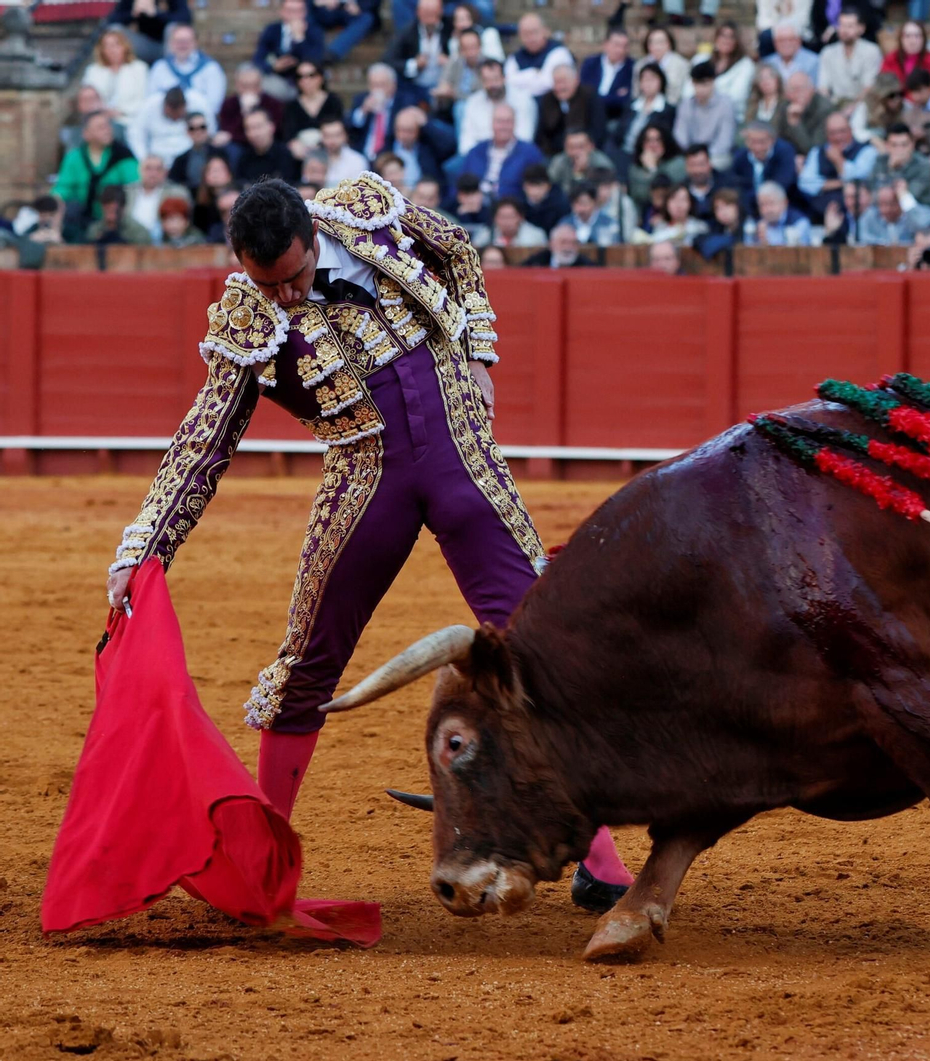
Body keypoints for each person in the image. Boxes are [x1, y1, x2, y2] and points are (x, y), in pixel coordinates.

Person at [104, 174, 635, 905]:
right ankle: (263, 866)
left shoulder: (363, 209)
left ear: (310, 235)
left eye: (292, 276)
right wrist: (145, 548)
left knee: (533, 647)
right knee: (306, 665)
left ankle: (601, 861)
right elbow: (204, 442)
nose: (285, 296)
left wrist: (478, 348)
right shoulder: (245, 316)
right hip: (365, 477)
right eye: (269, 283)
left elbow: (455, 250)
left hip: (460, 452)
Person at [54, 111, 141, 236]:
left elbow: (135, 186)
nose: (107, 130)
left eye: (107, 126)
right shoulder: (74, 157)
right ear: (86, 134)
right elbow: (62, 189)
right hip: (80, 217)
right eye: (101, 127)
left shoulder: (123, 155)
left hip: (113, 218)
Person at [799, 111, 880, 218]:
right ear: (826, 134)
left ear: (851, 130)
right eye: (833, 133)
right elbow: (805, 183)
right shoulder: (817, 152)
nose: (838, 137)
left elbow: (859, 179)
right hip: (820, 215)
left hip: (856, 216)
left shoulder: (867, 151)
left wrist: (839, 161)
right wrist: (841, 183)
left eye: (842, 131)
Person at [461, 103, 545, 201]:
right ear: (492, 123)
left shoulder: (530, 153)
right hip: (475, 208)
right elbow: (460, 185)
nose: (503, 126)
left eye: (508, 121)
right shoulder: (476, 152)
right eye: (499, 121)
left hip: (510, 208)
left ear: (515, 124)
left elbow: (537, 190)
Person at [146, 24, 227, 122]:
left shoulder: (211, 68)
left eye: (186, 41)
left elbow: (214, 106)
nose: (182, 45)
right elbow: (150, 100)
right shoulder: (160, 67)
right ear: (171, 43)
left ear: (195, 42)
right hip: (165, 123)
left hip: (198, 125)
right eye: (178, 41)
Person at [457, 59, 532, 157]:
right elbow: (466, 140)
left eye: (496, 79)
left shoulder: (523, 100)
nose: (492, 85)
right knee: (450, 168)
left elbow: (525, 137)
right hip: (478, 156)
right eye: (487, 80)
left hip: (513, 155)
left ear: (504, 78)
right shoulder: (473, 102)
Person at [254, 0, 325, 100]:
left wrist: (299, 38)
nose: (294, 15)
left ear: (305, 12)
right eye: (290, 10)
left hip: (302, 80)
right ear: (282, 12)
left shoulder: (314, 31)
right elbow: (258, 58)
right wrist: (273, 66)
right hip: (276, 78)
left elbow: (316, 61)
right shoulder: (272, 30)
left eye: (298, 11)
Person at [534, 65, 607, 160]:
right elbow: (541, 134)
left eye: (563, 82)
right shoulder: (547, 99)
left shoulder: (589, 96)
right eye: (556, 82)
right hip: (554, 154)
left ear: (576, 80)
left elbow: (598, 130)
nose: (560, 87)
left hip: (586, 152)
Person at [675, 62, 738, 169]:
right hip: (690, 154)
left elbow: (725, 141)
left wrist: (703, 157)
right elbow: (680, 135)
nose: (700, 89)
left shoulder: (725, 105)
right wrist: (692, 154)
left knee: (716, 164)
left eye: (704, 84)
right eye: (696, 84)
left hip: (716, 155)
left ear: (713, 82)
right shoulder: (686, 105)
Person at [819, 8, 886, 105]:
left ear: (861, 28)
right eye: (841, 25)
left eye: (850, 26)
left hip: (862, 104)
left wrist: (850, 109)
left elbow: (869, 88)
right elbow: (823, 87)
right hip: (834, 103)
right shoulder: (827, 53)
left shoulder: (872, 51)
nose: (844, 30)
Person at [84, 28, 150, 124]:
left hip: (130, 120)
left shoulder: (139, 68)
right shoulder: (92, 71)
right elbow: (87, 100)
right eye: (107, 46)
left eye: (116, 45)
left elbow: (145, 100)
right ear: (102, 50)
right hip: (100, 121)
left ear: (125, 46)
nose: (112, 50)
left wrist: (120, 112)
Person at [731, 121, 799, 212]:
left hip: (782, 206)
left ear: (773, 140)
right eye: (753, 142)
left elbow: (783, 183)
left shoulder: (785, 152)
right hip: (749, 206)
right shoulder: (740, 157)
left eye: (762, 142)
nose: (757, 147)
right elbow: (736, 186)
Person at [505, 14, 576, 101]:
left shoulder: (559, 52)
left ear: (545, 31)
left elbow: (548, 83)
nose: (530, 38)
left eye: (534, 32)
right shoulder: (515, 57)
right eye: (525, 34)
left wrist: (520, 83)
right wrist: (533, 73)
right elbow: (507, 83)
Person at [215, 64, 283, 150]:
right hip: (239, 148)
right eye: (245, 86)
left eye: (254, 85)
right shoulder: (228, 104)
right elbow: (226, 132)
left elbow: (277, 132)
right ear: (237, 85)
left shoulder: (273, 104)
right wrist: (245, 111)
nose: (250, 90)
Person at [130, 86, 202, 166]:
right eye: (172, 115)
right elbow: (136, 134)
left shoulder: (198, 102)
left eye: (177, 115)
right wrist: (145, 159)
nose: (175, 118)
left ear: (184, 107)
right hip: (157, 160)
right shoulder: (150, 105)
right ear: (165, 106)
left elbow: (208, 132)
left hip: (187, 161)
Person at [580, 28, 636, 131]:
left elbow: (626, 101)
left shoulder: (632, 67)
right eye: (616, 45)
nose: (620, 50)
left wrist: (596, 98)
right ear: (606, 44)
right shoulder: (591, 63)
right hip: (587, 115)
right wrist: (614, 96)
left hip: (614, 119)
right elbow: (583, 93)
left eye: (625, 46)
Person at [872, 122, 930, 208]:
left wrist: (894, 170)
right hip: (885, 213)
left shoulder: (923, 165)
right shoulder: (880, 161)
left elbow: (909, 198)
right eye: (894, 145)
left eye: (904, 145)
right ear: (887, 146)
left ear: (912, 144)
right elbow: (871, 193)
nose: (900, 150)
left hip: (918, 211)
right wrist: (890, 169)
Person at [108, 0, 191, 65]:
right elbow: (112, 20)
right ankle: (117, 71)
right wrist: (133, 13)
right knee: (115, 30)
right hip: (145, 47)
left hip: (169, 47)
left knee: (173, 28)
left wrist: (156, 13)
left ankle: (169, 72)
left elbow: (185, 17)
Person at [126, 152, 188, 240]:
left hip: (163, 241)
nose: (153, 173)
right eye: (148, 168)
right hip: (130, 240)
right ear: (140, 171)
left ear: (165, 172)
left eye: (158, 169)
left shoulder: (177, 192)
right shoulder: (127, 192)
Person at [348, 63, 402, 159]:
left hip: (390, 156)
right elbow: (349, 126)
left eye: (382, 85)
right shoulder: (361, 99)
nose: (378, 89)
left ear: (393, 85)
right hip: (363, 154)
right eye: (374, 85)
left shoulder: (402, 102)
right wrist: (363, 111)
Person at [284, 63, 344, 148]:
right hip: (301, 153)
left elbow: (340, 128)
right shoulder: (292, 106)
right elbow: (288, 134)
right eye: (300, 76)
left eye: (311, 75)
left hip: (329, 149)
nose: (305, 80)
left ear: (321, 77)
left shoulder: (333, 101)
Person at [856, 181, 930, 244]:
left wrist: (906, 200)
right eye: (882, 204)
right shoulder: (870, 216)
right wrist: (887, 245)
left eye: (891, 204)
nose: (887, 209)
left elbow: (925, 227)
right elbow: (863, 238)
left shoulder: (912, 214)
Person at [236, 108, 301, 184]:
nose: (254, 133)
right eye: (248, 128)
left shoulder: (286, 154)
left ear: (272, 127)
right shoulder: (243, 159)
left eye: (258, 127)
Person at [884, 20, 930, 96]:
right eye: (907, 36)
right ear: (900, 39)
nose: (912, 41)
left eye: (917, 36)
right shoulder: (891, 59)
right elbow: (884, 88)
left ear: (924, 39)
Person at [634, 183, 710, 245]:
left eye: (683, 200)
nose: (678, 205)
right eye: (674, 199)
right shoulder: (659, 227)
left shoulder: (700, 228)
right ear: (667, 204)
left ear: (690, 204)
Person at [627, 64, 678, 155]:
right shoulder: (631, 105)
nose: (648, 84)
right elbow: (618, 135)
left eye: (652, 79)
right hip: (624, 151)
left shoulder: (668, 110)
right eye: (645, 80)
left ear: (661, 82)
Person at [311, 0, 381, 64]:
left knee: (367, 18)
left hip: (353, 11)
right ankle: (309, 52)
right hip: (323, 10)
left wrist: (360, 6)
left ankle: (332, 53)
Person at [709, 22, 757, 115]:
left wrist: (705, 96)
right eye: (722, 35)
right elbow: (688, 92)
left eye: (731, 37)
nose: (726, 40)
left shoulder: (745, 65)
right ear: (716, 38)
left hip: (730, 116)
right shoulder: (703, 60)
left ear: (737, 41)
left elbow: (736, 97)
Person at [745, 181, 814, 244]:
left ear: (785, 203)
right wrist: (756, 239)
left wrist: (767, 243)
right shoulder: (755, 225)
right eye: (762, 205)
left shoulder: (799, 222)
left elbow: (797, 252)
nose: (767, 210)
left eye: (771, 203)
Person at [640, 26, 692, 106]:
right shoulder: (640, 65)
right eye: (652, 42)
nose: (656, 46)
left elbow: (685, 93)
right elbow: (636, 93)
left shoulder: (681, 65)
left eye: (660, 42)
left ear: (669, 43)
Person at [167, 112, 215, 192]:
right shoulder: (180, 160)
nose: (198, 132)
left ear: (207, 129)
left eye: (202, 127)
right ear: (187, 132)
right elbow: (173, 184)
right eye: (192, 128)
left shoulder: (221, 153)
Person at [562, 182, 622, 246]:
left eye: (584, 203)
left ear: (595, 202)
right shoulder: (564, 225)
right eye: (576, 204)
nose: (581, 209)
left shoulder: (609, 224)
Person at [683, 142, 734, 218]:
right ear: (686, 167)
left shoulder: (727, 185)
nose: (697, 170)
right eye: (692, 165)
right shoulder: (681, 190)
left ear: (709, 163)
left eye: (701, 164)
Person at [525, 223, 596, 267]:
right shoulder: (536, 263)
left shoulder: (586, 266)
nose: (568, 247)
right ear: (551, 244)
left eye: (573, 243)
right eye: (563, 242)